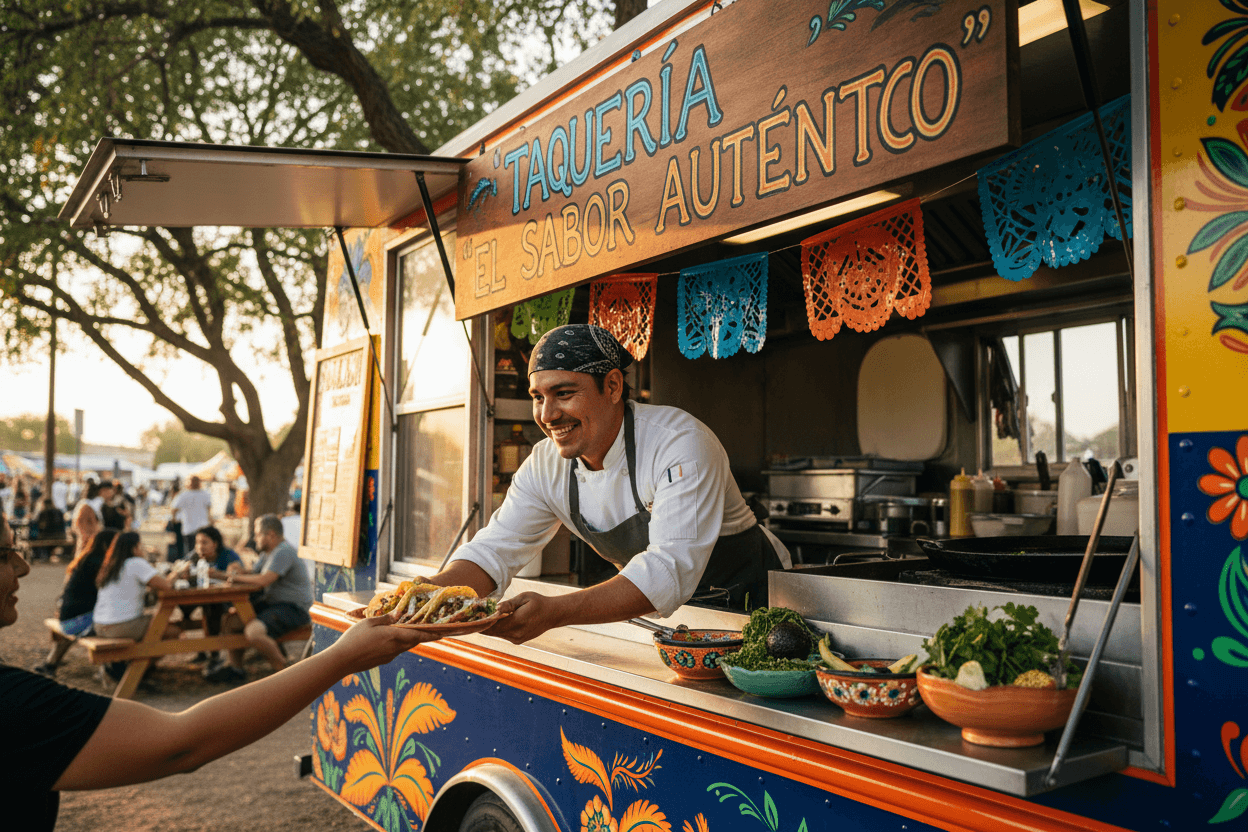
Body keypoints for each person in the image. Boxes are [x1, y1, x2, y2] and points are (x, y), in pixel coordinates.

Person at [0, 514, 439, 831]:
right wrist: (343, 658)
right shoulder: (14, 703)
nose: (23, 566)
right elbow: (182, 744)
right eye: (6, 554)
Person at [414, 324, 791, 645]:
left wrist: (556, 611)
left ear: (612, 387)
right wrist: (423, 599)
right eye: (537, 397)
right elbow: (492, 552)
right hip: (676, 628)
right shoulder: (545, 466)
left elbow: (667, 570)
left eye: (564, 393)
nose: (547, 415)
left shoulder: (680, 443)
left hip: (758, 614)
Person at [212, 514, 314, 682]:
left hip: (294, 609)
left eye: (258, 534)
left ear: (271, 535)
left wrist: (228, 577)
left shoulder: (283, 552)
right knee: (231, 622)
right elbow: (252, 573)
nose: (254, 538)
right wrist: (235, 569)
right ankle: (236, 669)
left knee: (253, 633)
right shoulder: (269, 553)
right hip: (275, 605)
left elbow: (263, 580)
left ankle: (285, 674)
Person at [32, 529, 120, 676]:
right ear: (107, 545)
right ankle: (110, 670)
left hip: (67, 619)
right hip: (76, 622)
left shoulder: (86, 558)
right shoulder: (99, 564)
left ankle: (50, 663)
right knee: (115, 623)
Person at [173, 525, 243, 661]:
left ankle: (213, 652)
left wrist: (223, 574)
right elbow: (180, 566)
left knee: (212, 607)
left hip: (226, 598)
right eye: (197, 542)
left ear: (215, 544)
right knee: (183, 604)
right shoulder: (195, 556)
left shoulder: (227, 555)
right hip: (202, 596)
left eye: (204, 542)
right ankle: (205, 648)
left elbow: (237, 573)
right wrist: (184, 572)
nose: (200, 547)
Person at [170, 475, 212, 558]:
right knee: (201, 553)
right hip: (201, 528)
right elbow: (209, 510)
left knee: (190, 553)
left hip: (189, 528)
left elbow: (173, 509)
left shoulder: (183, 495)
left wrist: (175, 520)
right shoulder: (205, 494)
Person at [29, 498, 68, 563]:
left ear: (44, 504)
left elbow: (41, 526)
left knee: (36, 538)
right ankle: (51, 556)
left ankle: (43, 557)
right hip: (61, 536)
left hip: (48, 536)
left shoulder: (43, 513)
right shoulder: (59, 511)